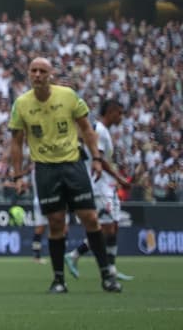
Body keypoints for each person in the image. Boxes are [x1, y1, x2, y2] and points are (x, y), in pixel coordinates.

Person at [8, 58, 122, 293]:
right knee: (56, 223)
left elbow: (87, 129)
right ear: (28, 74)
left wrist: (97, 159)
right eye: (33, 71)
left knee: (90, 218)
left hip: (73, 165)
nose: (37, 74)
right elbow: (17, 143)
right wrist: (17, 176)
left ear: (51, 74)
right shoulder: (21, 104)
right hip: (45, 169)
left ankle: (107, 276)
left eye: (42, 71)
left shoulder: (68, 96)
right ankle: (59, 280)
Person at [66, 99, 134, 281]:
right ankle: (76, 255)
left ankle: (109, 267)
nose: (121, 117)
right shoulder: (100, 131)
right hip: (98, 186)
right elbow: (100, 160)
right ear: (111, 111)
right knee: (106, 228)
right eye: (119, 113)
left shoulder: (100, 130)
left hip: (106, 186)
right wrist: (119, 178)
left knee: (112, 227)